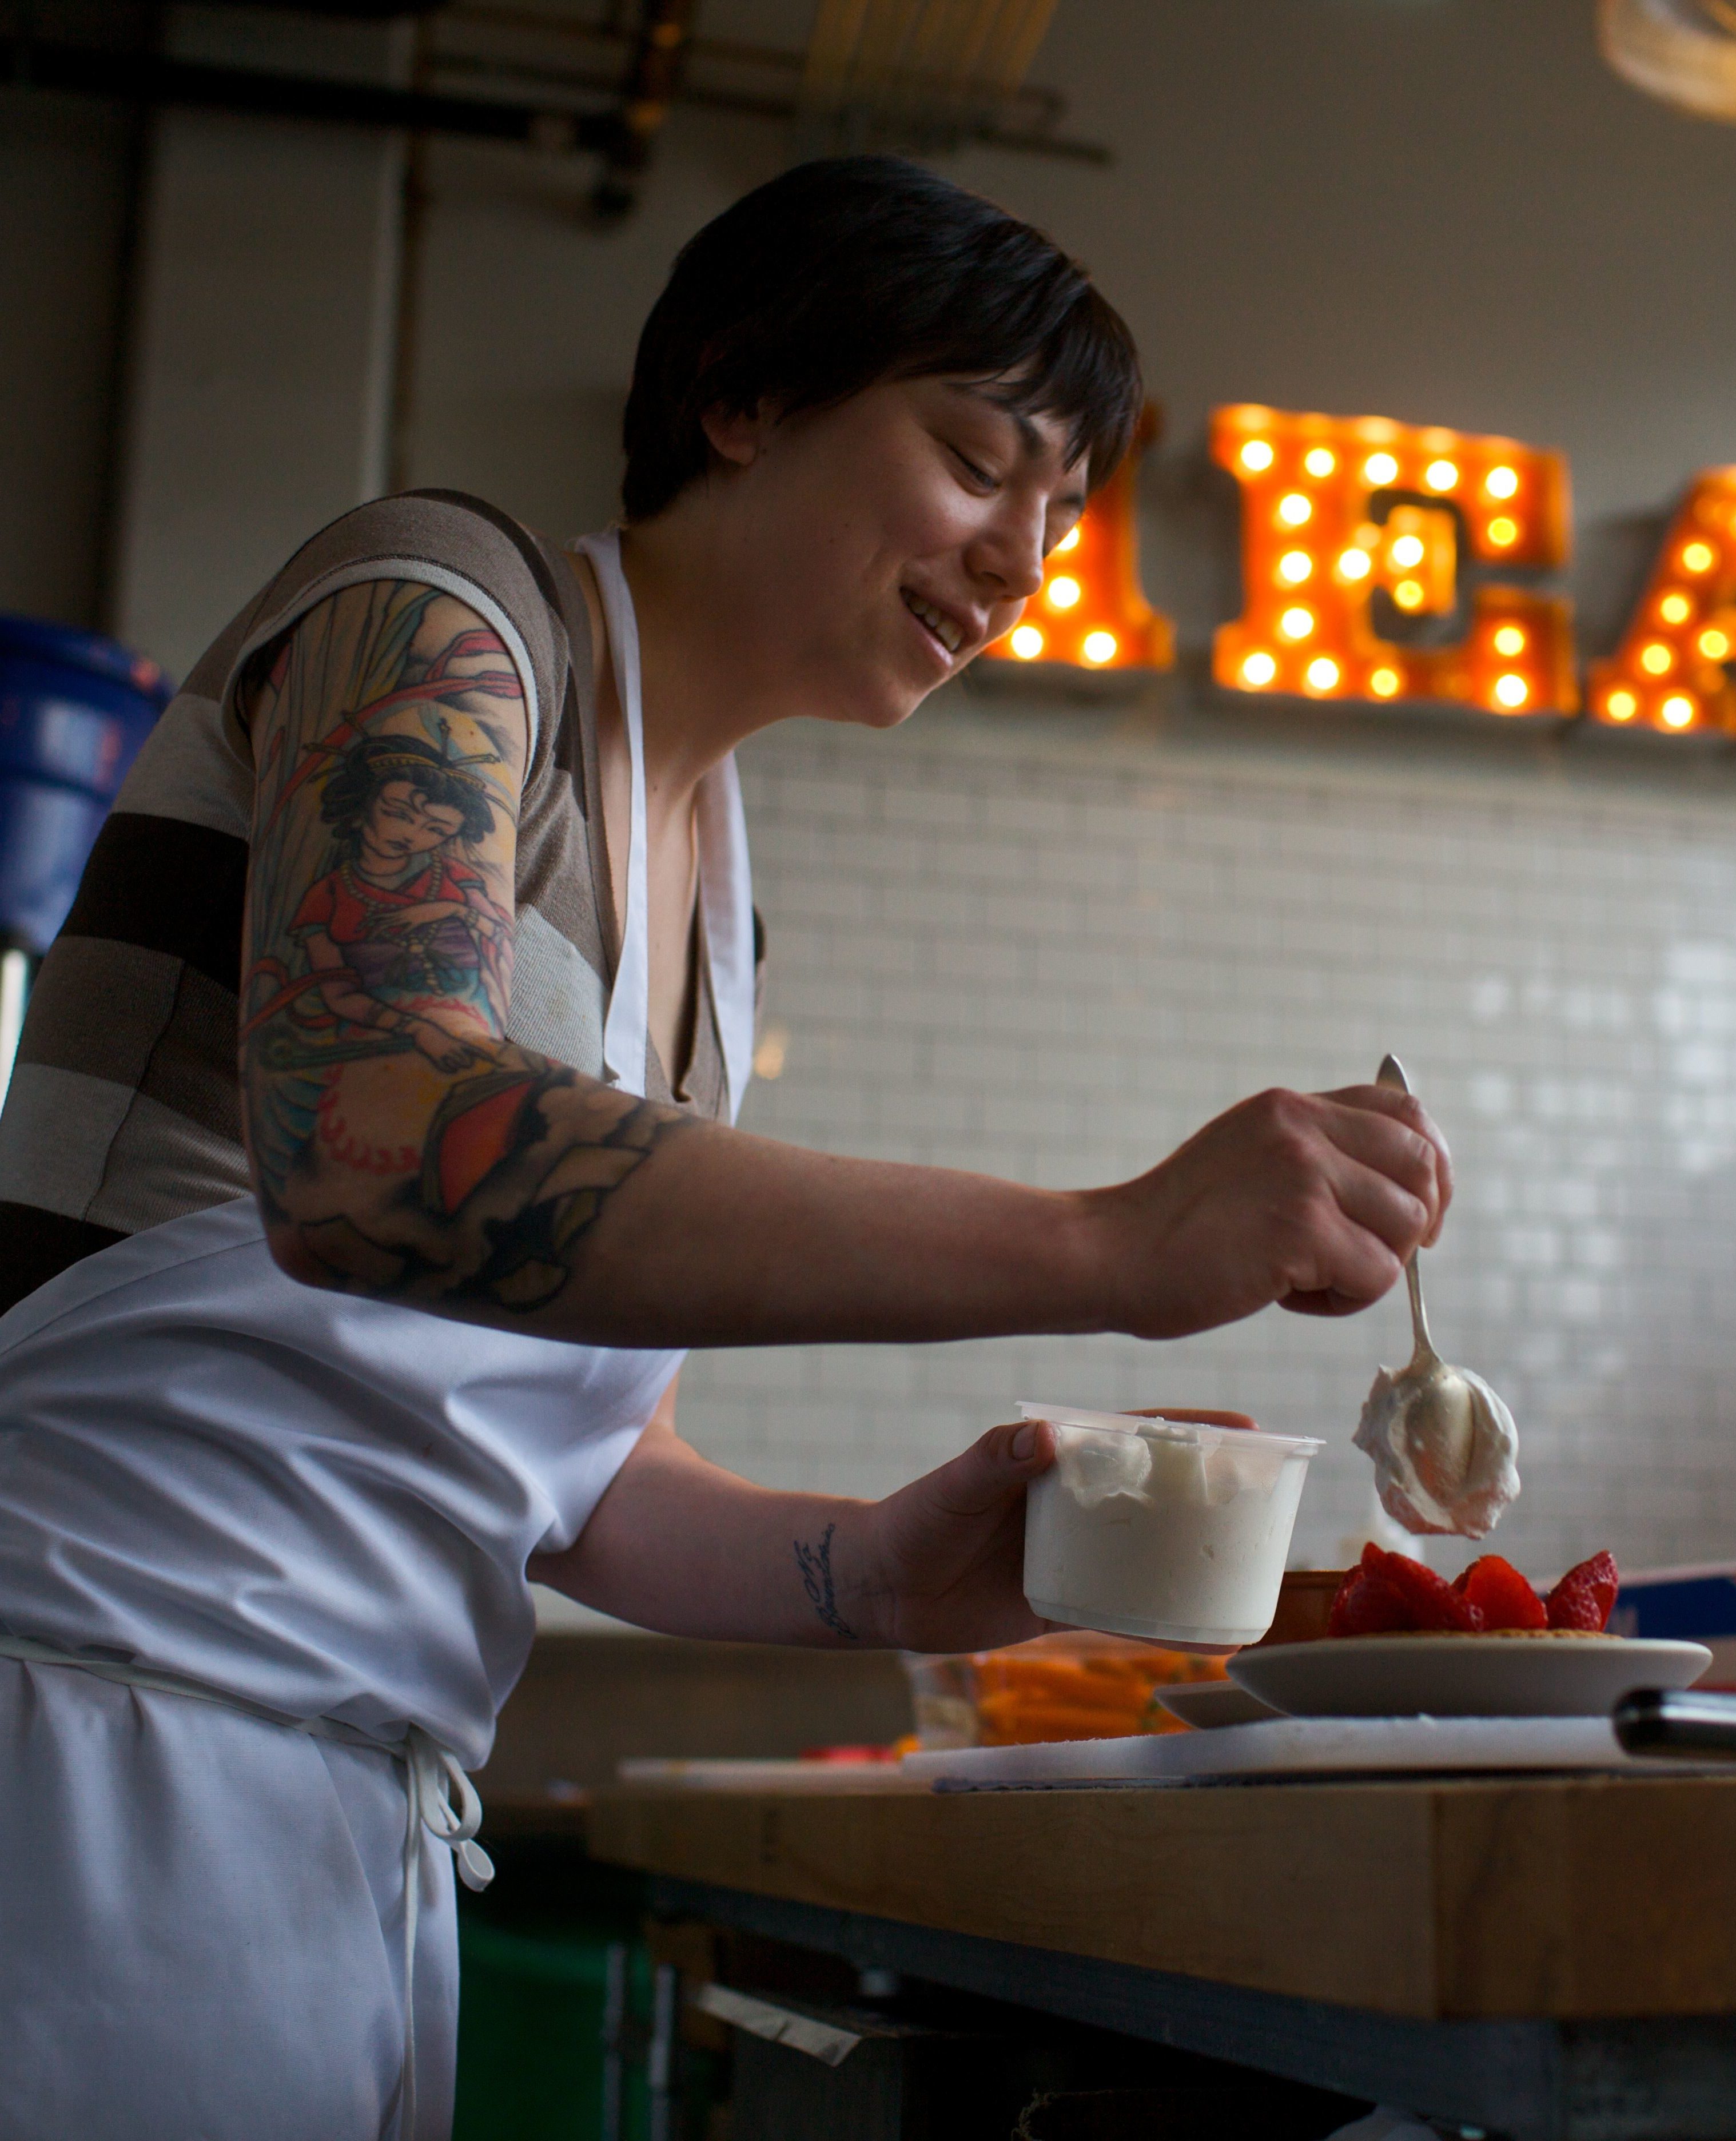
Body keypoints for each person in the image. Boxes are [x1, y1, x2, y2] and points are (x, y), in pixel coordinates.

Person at [0, 156, 1451, 2138]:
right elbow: (373, 1141)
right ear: (745, 396)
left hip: (347, 1808)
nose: (1026, 556)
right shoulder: (437, 602)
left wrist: (880, 1573)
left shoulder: (717, 917)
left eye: (1061, 511)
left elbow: (578, 1474)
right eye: (974, 456)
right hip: (80, 1739)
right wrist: (1119, 1243)